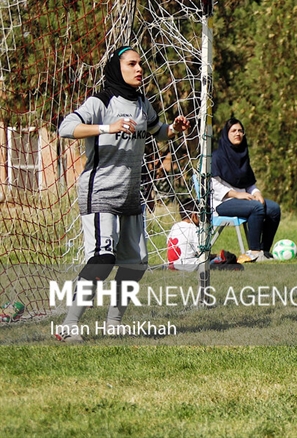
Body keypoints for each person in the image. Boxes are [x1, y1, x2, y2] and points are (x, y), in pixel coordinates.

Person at [56, 46, 190, 342]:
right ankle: (68, 325)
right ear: (118, 68)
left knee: (135, 265)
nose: (139, 68)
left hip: (131, 196)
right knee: (103, 259)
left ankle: (113, 323)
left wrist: (174, 129)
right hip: (100, 193)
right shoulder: (102, 101)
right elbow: (64, 128)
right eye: (132, 64)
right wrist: (107, 127)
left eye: (140, 64)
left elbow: (157, 130)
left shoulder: (143, 103)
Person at [211, 117, 281, 262]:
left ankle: (264, 251)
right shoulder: (217, 156)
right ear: (226, 134)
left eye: (240, 131)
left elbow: (249, 183)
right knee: (256, 208)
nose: (238, 133)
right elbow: (214, 185)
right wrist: (237, 194)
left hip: (243, 199)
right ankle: (253, 252)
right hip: (221, 202)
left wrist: (257, 193)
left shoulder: (243, 155)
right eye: (234, 131)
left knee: (273, 209)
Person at [167, 197, 243, 272]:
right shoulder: (194, 229)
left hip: (173, 265)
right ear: (195, 216)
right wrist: (215, 256)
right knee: (229, 258)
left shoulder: (175, 227)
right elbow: (202, 253)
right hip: (190, 266)